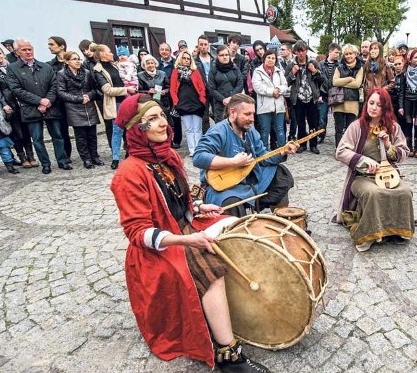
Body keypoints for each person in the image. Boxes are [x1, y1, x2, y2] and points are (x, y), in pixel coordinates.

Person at [109, 93, 270, 373]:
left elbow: (175, 201)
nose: (164, 123)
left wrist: (196, 206)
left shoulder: (167, 157)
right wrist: (187, 240)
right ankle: (228, 354)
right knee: (210, 270)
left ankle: (234, 310)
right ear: (138, 129)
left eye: (162, 115)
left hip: (183, 227)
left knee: (234, 227)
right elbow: (138, 232)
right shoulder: (129, 174)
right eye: (153, 119)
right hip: (157, 250)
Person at [334, 88, 415, 252]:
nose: (373, 107)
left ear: (385, 108)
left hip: (387, 175)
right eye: (371, 103)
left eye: (378, 105)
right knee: (373, 193)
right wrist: (363, 160)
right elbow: (341, 151)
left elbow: (404, 152)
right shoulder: (356, 127)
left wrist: (388, 145)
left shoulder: (393, 128)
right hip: (362, 177)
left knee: (405, 191)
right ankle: (368, 235)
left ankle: (398, 229)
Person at [192, 93, 298, 217]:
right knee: (231, 203)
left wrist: (283, 151)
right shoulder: (218, 131)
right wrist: (233, 162)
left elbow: (262, 157)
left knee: (280, 176)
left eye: (253, 113)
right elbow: (198, 157)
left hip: (249, 180)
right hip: (223, 187)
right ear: (233, 112)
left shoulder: (250, 131)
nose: (252, 119)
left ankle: (282, 220)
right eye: (247, 114)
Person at [6, 39, 71, 174]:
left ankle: (62, 160)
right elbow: (16, 90)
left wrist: (48, 101)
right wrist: (39, 101)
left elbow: (54, 85)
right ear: (17, 52)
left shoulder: (45, 67)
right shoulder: (13, 69)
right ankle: (45, 164)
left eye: (30, 49)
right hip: (31, 109)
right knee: (37, 139)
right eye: (24, 50)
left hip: (50, 107)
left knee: (58, 136)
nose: (28, 52)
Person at [0, 44, 36, 168]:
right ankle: (22, 156)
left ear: (3, 54)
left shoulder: (13, 67)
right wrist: (4, 104)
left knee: (26, 130)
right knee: (15, 131)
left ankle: (31, 155)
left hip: (22, 102)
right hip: (8, 104)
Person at [92, 43, 137, 169]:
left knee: (130, 129)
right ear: (102, 54)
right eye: (109, 51)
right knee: (116, 131)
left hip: (126, 101)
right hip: (114, 103)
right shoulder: (98, 70)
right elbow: (107, 90)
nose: (112, 53)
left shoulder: (115, 65)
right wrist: (126, 89)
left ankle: (130, 153)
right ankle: (115, 158)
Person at [56, 51, 103, 169]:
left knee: (92, 134)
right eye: (74, 59)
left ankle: (95, 156)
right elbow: (61, 92)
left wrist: (89, 96)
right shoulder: (62, 74)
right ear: (67, 61)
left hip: (89, 106)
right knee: (81, 136)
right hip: (74, 108)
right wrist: (78, 99)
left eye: (78, 59)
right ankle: (86, 159)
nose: (78, 61)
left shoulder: (86, 72)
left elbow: (94, 89)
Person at [285, 40, 324, 154]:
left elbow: (322, 81)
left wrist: (314, 71)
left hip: (312, 97)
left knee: (313, 123)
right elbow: (286, 82)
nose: (301, 54)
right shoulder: (291, 65)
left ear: (306, 51)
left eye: (303, 51)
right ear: (295, 52)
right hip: (298, 98)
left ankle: (313, 145)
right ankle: (302, 144)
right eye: (298, 51)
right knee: (300, 123)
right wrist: (293, 72)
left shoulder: (313, 63)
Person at [171, 51, 207, 160]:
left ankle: (199, 149)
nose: (186, 60)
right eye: (184, 58)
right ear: (180, 59)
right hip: (183, 104)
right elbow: (172, 89)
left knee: (197, 128)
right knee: (189, 129)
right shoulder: (176, 72)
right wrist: (176, 102)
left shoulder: (195, 72)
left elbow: (201, 87)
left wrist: (202, 100)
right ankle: (192, 150)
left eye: (188, 58)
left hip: (196, 103)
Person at [252, 49, 288, 151]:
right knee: (265, 130)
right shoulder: (257, 71)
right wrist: (272, 91)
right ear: (264, 58)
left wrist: (279, 90)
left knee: (280, 129)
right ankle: (264, 152)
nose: (271, 60)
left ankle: (282, 151)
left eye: (273, 58)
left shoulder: (279, 71)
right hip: (264, 106)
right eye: (269, 57)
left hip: (278, 105)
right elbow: (257, 87)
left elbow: (285, 85)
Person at [331, 44, 364, 147]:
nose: (348, 56)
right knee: (339, 129)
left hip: (353, 101)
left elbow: (357, 84)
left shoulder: (360, 68)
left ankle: (349, 148)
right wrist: (349, 79)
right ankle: (339, 148)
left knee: (351, 128)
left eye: (351, 53)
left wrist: (342, 81)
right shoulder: (339, 67)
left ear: (355, 54)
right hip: (339, 101)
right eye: (346, 54)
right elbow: (334, 82)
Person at [399, 50, 417, 157]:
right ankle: (409, 147)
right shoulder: (404, 72)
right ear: (410, 59)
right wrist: (401, 106)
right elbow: (401, 90)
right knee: (408, 123)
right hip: (407, 100)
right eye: (415, 57)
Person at [208, 45, 243, 122]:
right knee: (222, 129)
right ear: (217, 56)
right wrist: (223, 99)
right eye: (222, 55)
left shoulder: (235, 68)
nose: (224, 57)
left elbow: (240, 84)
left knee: (235, 127)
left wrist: (231, 97)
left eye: (226, 55)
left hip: (234, 103)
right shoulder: (213, 70)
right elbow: (211, 88)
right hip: (219, 105)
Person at [158, 42, 182, 148]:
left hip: (173, 93)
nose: (164, 52)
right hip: (159, 94)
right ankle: (164, 139)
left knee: (175, 116)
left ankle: (176, 140)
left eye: (166, 50)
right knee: (161, 116)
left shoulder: (175, 63)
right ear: (159, 51)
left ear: (170, 51)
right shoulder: (156, 63)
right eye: (162, 49)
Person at [317, 43, 341, 143]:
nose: (337, 55)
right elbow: (317, 81)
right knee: (322, 118)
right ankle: (321, 135)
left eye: (339, 53)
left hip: (335, 94)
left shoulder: (340, 65)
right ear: (330, 52)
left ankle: (338, 137)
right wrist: (318, 95)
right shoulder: (320, 64)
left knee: (338, 117)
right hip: (323, 94)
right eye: (336, 52)